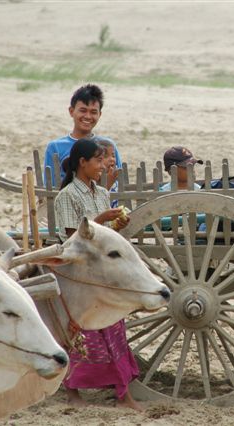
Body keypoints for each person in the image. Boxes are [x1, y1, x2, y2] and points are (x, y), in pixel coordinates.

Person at [54, 138, 141, 411]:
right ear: (83, 163)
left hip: (103, 274)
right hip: (81, 277)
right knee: (84, 336)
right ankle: (73, 394)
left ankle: (122, 394)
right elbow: (72, 241)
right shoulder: (67, 196)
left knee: (115, 330)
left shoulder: (100, 193)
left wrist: (116, 223)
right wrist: (101, 221)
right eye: (99, 161)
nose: (104, 166)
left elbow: (107, 238)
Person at [43, 84, 123, 186]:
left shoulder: (109, 146)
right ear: (71, 111)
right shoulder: (56, 147)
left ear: (100, 114)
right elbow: (49, 186)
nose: (88, 116)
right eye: (83, 110)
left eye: (93, 112)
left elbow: (119, 182)